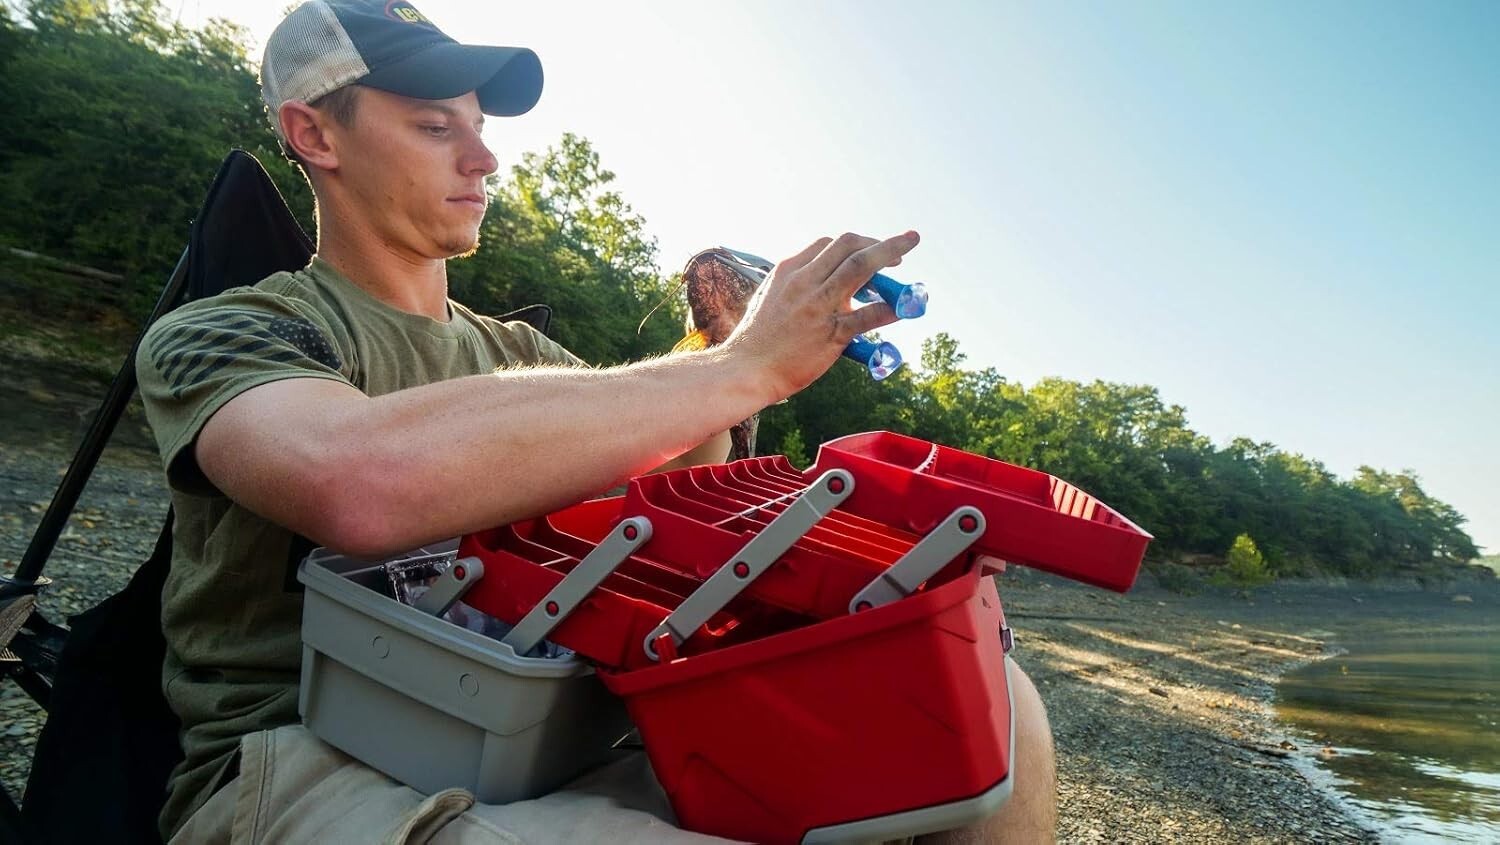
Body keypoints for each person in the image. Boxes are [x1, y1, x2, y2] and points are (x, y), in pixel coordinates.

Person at [137, 1, 1058, 842]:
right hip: (314, 756)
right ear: (313, 133)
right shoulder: (228, 331)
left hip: (551, 725)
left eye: (482, 127)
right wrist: (741, 365)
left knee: (990, 704)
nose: (484, 159)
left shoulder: (521, 356)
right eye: (435, 126)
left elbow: (673, 482)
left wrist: (735, 367)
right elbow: (356, 482)